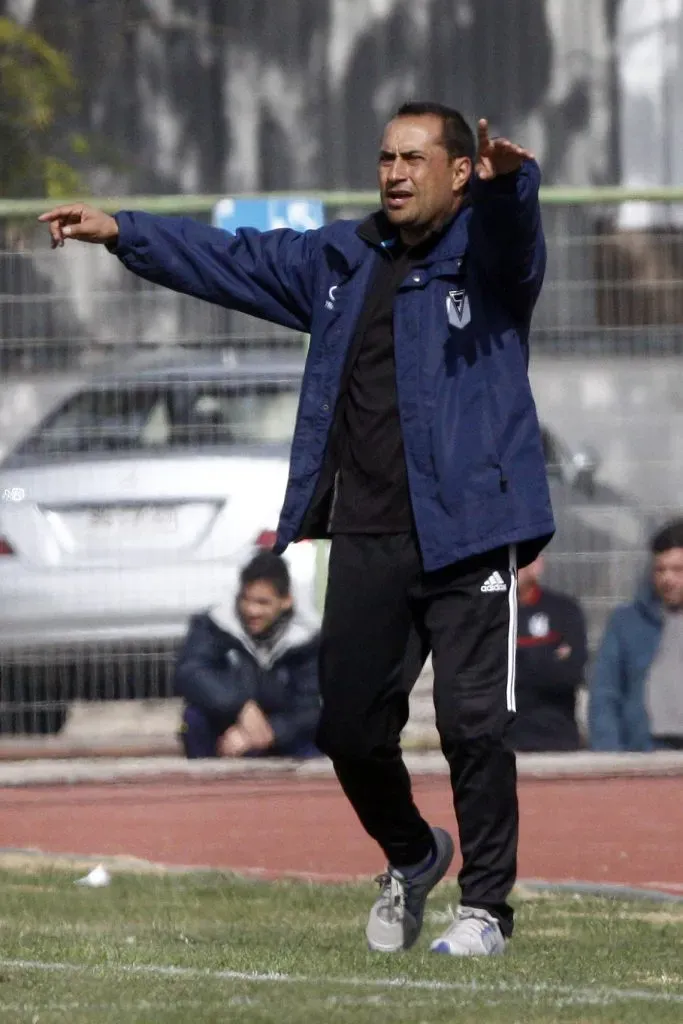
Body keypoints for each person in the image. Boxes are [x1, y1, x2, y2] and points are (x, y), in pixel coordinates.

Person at [39, 102, 554, 956]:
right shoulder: (342, 259)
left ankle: (485, 911)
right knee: (346, 729)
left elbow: (517, 240)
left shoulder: (488, 256)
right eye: (384, 155)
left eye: (413, 158)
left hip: (472, 529)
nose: (392, 172)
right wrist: (118, 230)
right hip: (368, 532)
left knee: (473, 725)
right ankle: (413, 854)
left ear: (459, 172)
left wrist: (514, 187)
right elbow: (229, 259)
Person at [175, 551, 321, 759]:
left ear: (286, 601)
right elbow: (190, 672)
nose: (252, 610)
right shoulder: (214, 625)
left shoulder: (308, 639)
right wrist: (240, 707)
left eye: (263, 602)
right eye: (246, 599)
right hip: (227, 727)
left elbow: (313, 705)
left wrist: (271, 732)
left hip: (285, 733)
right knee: (194, 719)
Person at [589, 518, 683, 752]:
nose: (667, 579)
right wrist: (609, 755)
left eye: (678, 569)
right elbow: (605, 691)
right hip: (647, 749)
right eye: (660, 569)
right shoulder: (627, 622)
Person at [508, 555, 587, 752]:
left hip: (556, 738)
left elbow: (571, 674)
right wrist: (546, 656)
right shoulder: (488, 615)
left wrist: (517, 659)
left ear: (537, 564)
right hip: (504, 740)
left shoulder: (564, 610)